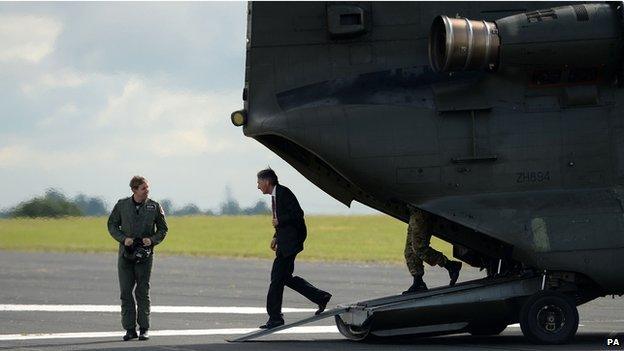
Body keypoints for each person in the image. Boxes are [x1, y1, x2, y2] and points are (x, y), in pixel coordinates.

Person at [257, 168, 332, 329]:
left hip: (291, 243)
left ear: (267, 182)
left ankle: (275, 318)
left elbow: (297, 214)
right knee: (284, 278)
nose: (257, 186)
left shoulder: (284, 193)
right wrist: (276, 236)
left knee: (276, 279)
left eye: (259, 182)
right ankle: (320, 297)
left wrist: (280, 222)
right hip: (285, 241)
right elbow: (283, 220)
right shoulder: (276, 195)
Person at [107, 176, 168, 341]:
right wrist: (123, 238)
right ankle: (129, 329)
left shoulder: (154, 207)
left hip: (144, 256)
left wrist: (152, 240)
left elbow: (163, 229)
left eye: (147, 187)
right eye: (143, 188)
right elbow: (112, 225)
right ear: (134, 190)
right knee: (126, 292)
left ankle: (144, 328)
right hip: (126, 255)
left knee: (142, 291)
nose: (147, 190)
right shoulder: (122, 205)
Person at [403, 207, 462, 294]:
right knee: (409, 251)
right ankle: (418, 282)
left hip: (421, 210)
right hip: (414, 211)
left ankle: (450, 265)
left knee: (419, 248)